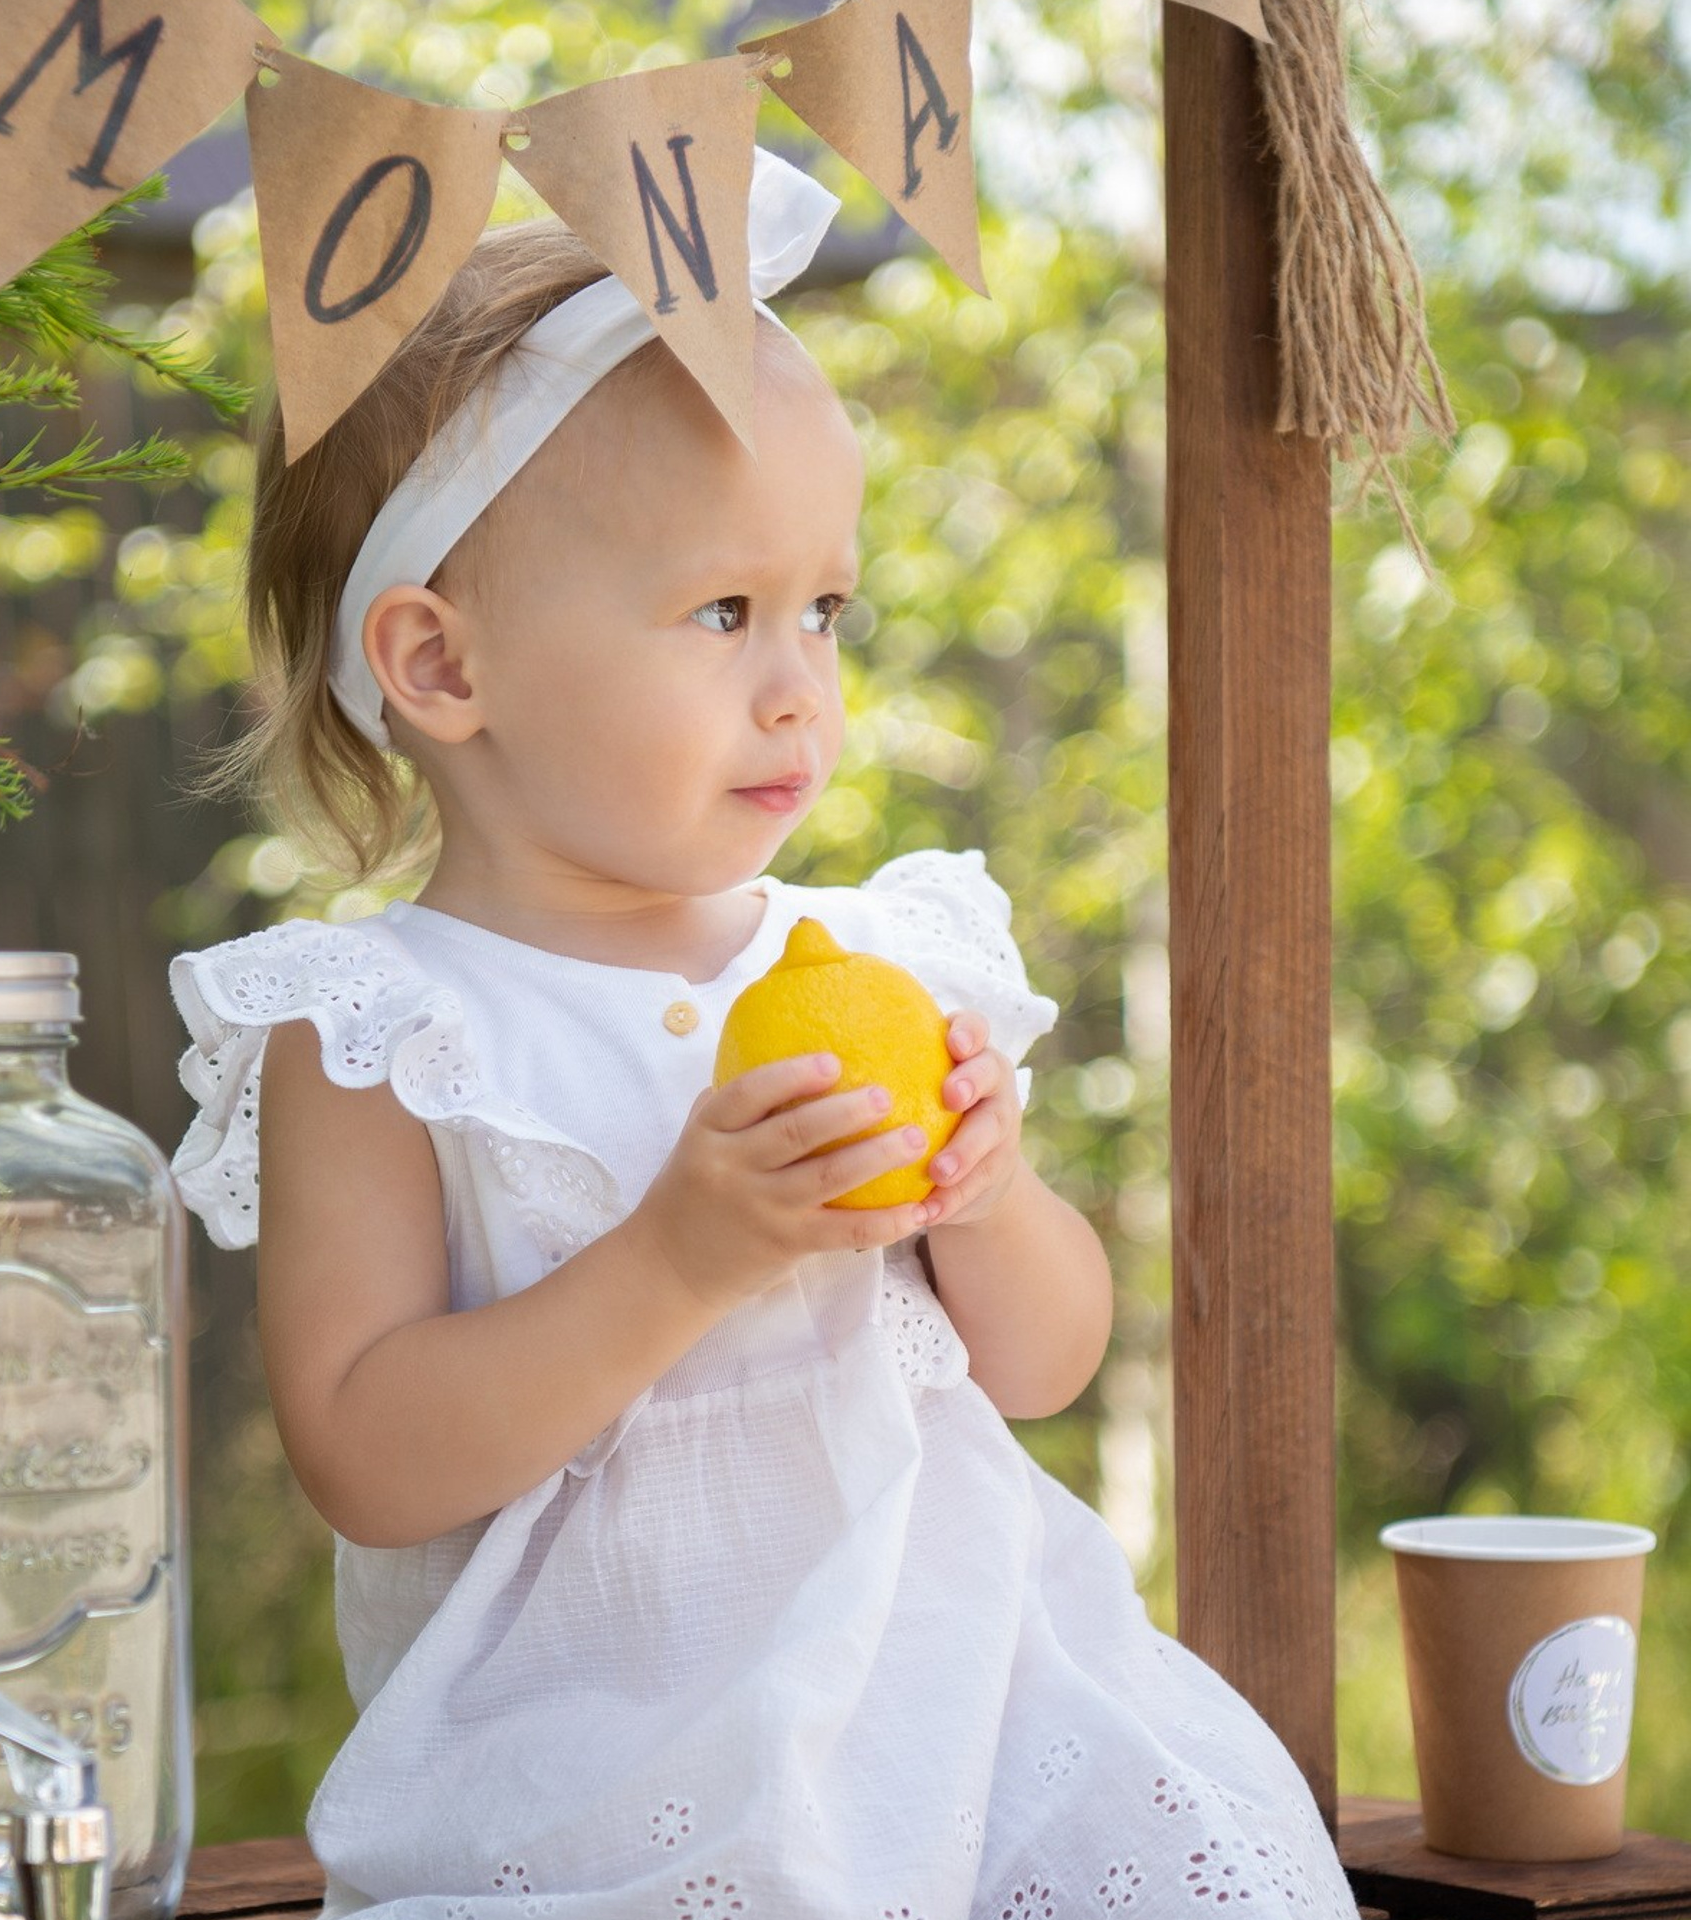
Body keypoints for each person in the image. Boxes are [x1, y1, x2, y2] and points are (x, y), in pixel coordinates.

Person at [170, 149, 1361, 1920]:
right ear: (440, 665)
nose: (801, 680)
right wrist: (680, 1255)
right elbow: (367, 1457)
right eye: (725, 613)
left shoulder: (885, 956)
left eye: (826, 609)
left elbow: (1044, 1364)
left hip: (981, 1728)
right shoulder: (384, 1031)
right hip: (599, 1785)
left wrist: (987, 1197)